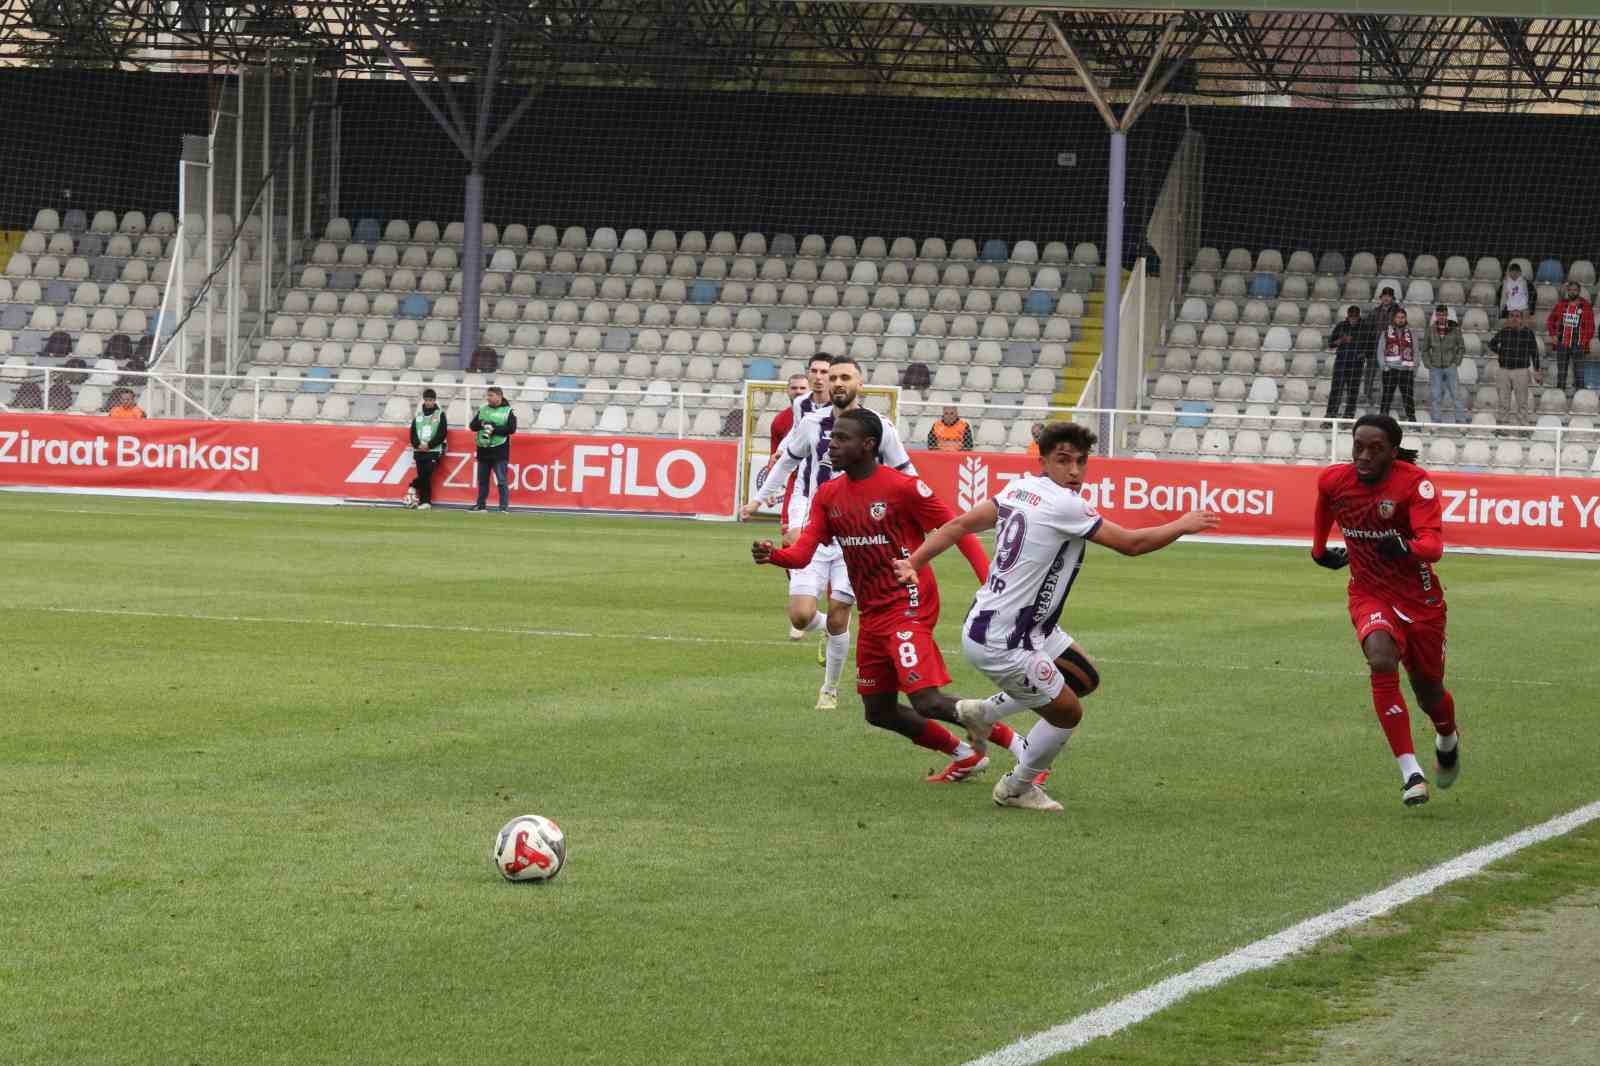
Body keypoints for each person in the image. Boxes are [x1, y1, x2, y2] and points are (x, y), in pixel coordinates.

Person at [895, 422, 1220, 811]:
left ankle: (983, 712)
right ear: (1044, 460)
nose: (1074, 471)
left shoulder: (1018, 488)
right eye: (1063, 461)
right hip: (1005, 640)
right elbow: (1132, 545)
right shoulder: (1066, 504)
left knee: (1083, 678)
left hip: (1015, 625)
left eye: (1081, 462)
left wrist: (914, 561)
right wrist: (1184, 524)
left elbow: (961, 524)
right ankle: (1017, 788)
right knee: (1068, 713)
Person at [753, 409, 1014, 783]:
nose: (832, 443)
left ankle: (1025, 751)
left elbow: (959, 529)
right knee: (878, 710)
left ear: (868, 445)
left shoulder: (902, 487)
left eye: (842, 438)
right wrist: (774, 556)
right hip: (873, 609)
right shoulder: (829, 494)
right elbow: (804, 553)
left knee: (926, 698)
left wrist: (990, 583)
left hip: (910, 601)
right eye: (833, 437)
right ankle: (964, 754)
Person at [744, 355, 918, 711]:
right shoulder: (810, 422)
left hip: (858, 539)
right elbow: (786, 463)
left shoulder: (880, 427)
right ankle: (822, 630)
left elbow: (906, 472)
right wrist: (758, 501)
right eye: (833, 377)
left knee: (841, 612)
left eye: (844, 377)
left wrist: (921, 514)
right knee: (801, 615)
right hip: (815, 532)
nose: (837, 382)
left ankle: (830, 689)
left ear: (860, 383)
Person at [1310, 414, 1460, 807]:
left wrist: (1407, 547)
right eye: (1358, 446)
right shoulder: (1335, 479)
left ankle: (1447, 737)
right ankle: (1411, 772)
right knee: (1380, 658)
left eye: (1375, 449)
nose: (1363, 455)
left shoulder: (1414, 484)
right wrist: (1318, 548)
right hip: (1369, 593)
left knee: (1429, 692)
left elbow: (1435, 546)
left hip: (1420, 600)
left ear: (1393, 453)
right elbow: (1325, 503)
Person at [1487, 309, 1542, 427]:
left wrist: (1537, 370)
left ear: (1521, 319)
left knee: (1522, 401)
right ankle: (1503, 425)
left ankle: (1523, 426)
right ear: (1508, 318)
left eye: (1517, 316)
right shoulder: (1504, 331)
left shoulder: (1528, 333)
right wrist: (1501, 352)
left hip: (1521, 371)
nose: (1514, 318)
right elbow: (1491, 344)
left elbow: (1535, 352)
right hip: (1504, 371)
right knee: (1503, 400)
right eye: (1512, 316)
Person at [469, 386, 516, 512]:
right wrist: (482, 424)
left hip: (499, 450)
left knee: (501, 480)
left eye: (491, 395)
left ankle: (503, 507)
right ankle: (481, 504)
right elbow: (472, 426)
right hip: (483, 448)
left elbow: (511, 429)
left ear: (499, 396)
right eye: (488, 395)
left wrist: (495, 429)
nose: (488, 398)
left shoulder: (508, 411)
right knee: (482, 480)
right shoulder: (483, 409)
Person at [1419, 305, 1466, 425]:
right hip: (1435, 367)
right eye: (1439, 315)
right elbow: (1424, 349)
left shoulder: (1454, 328)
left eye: (1443, 314)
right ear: (1436, 315)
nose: (1441, 317)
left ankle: (1461, 421)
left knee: (1456, 395)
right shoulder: (1430, 329)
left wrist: (1456, 362)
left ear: (1446, 315)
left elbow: (1461, 347)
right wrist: (1428, 364)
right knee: (1436, 395)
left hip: (1450, 366)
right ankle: (1436, 422)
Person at [1545, 280, 1594, 397]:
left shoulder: (1585, 306)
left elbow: (1591, 326)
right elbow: (1550, 320)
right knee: (1561, 373)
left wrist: (1584, 340)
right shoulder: (1561, 304)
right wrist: (1553, 335)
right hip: (1562, 343)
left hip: (1578, 344)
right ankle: (1560, 397)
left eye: (1575, 290)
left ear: (1579, 291)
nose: (1572, 292)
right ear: (1568, 291)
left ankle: (1580, 398)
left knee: (1579, 373)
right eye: (1570, 290)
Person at [1359, 288, 1401, 410]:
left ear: (1392, 298)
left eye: (1389, 296)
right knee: (1370, 373)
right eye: (1384, 296)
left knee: (1388, 375)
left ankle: (1387, 398)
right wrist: (1366, 348)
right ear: (1381, 298)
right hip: (1375, 347)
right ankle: (1367, 396)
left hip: (1390, 349)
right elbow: (1367, 330)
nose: (1386, 298)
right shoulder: (1374, 312)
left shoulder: (1398, 312)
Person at [407, 387, 448, 511]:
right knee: (424, 476)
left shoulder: (440, 414)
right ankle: (425, 502)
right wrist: (417, 444)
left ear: (434, 401)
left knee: (427, 474)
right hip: (419, 450)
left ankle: (413, 487)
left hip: (433, 451)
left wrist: (429, 445)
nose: (428, 402)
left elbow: (442, 433)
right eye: (426, 400)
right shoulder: (418, 415)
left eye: (431, 400)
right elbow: (413, 432)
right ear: (423, 401)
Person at [1376, 307, 1418, 423]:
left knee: (1408, 397)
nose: (1400, 320)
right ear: (1394, 319)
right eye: (1398, 317)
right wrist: (1384, 367)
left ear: (1405, 319)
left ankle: (1412, 421)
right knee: (1387, 396)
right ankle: (1382, 421)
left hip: (1406, 370)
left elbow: (1416, 352)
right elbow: (1380, 351)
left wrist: (1413, 368)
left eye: (1402, 317)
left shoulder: (1411, 334)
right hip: (1390, 370)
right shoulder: (1385, 333)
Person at [1324, 305, 1366, 422]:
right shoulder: (1341, 326)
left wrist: (1364, 354)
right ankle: (1330, 417)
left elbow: (1371, 345)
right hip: (1341, 362)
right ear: (1347, 316)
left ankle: (1348, 418)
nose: (1353, 319)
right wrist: (1341, 340)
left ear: (1359, 316)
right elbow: (1330, 344)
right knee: (1336, 390)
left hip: (1356, 363)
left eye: (1355, 317)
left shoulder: (1365, 327)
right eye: (1351, 317)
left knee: (1353, 390)